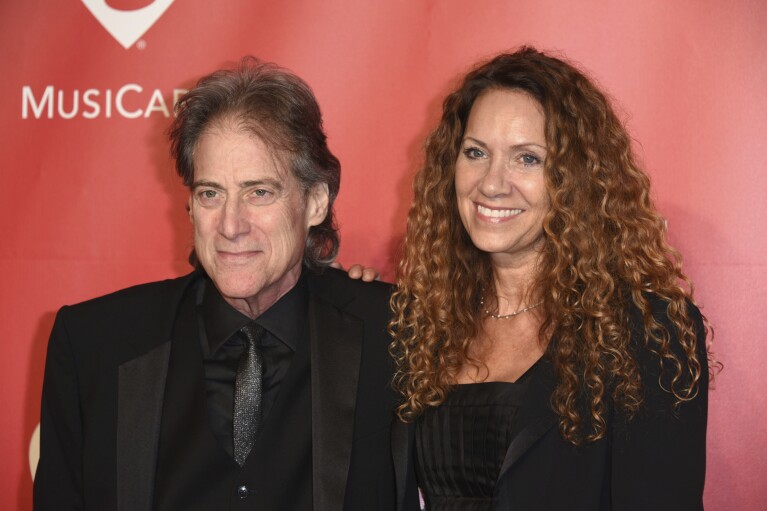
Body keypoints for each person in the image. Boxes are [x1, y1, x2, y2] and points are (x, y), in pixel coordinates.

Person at [34, 58, 397, 511]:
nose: (230, 224)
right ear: (189, 206)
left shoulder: (392, 333)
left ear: (316, 201)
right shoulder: (94, 344)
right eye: (211, 193)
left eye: (258, 192)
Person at [388, 47, 711, 510]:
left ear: (576, 178)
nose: (492, 184)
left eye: (527, 159)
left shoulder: (648, 332)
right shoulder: (417, 324)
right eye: (475, 152)